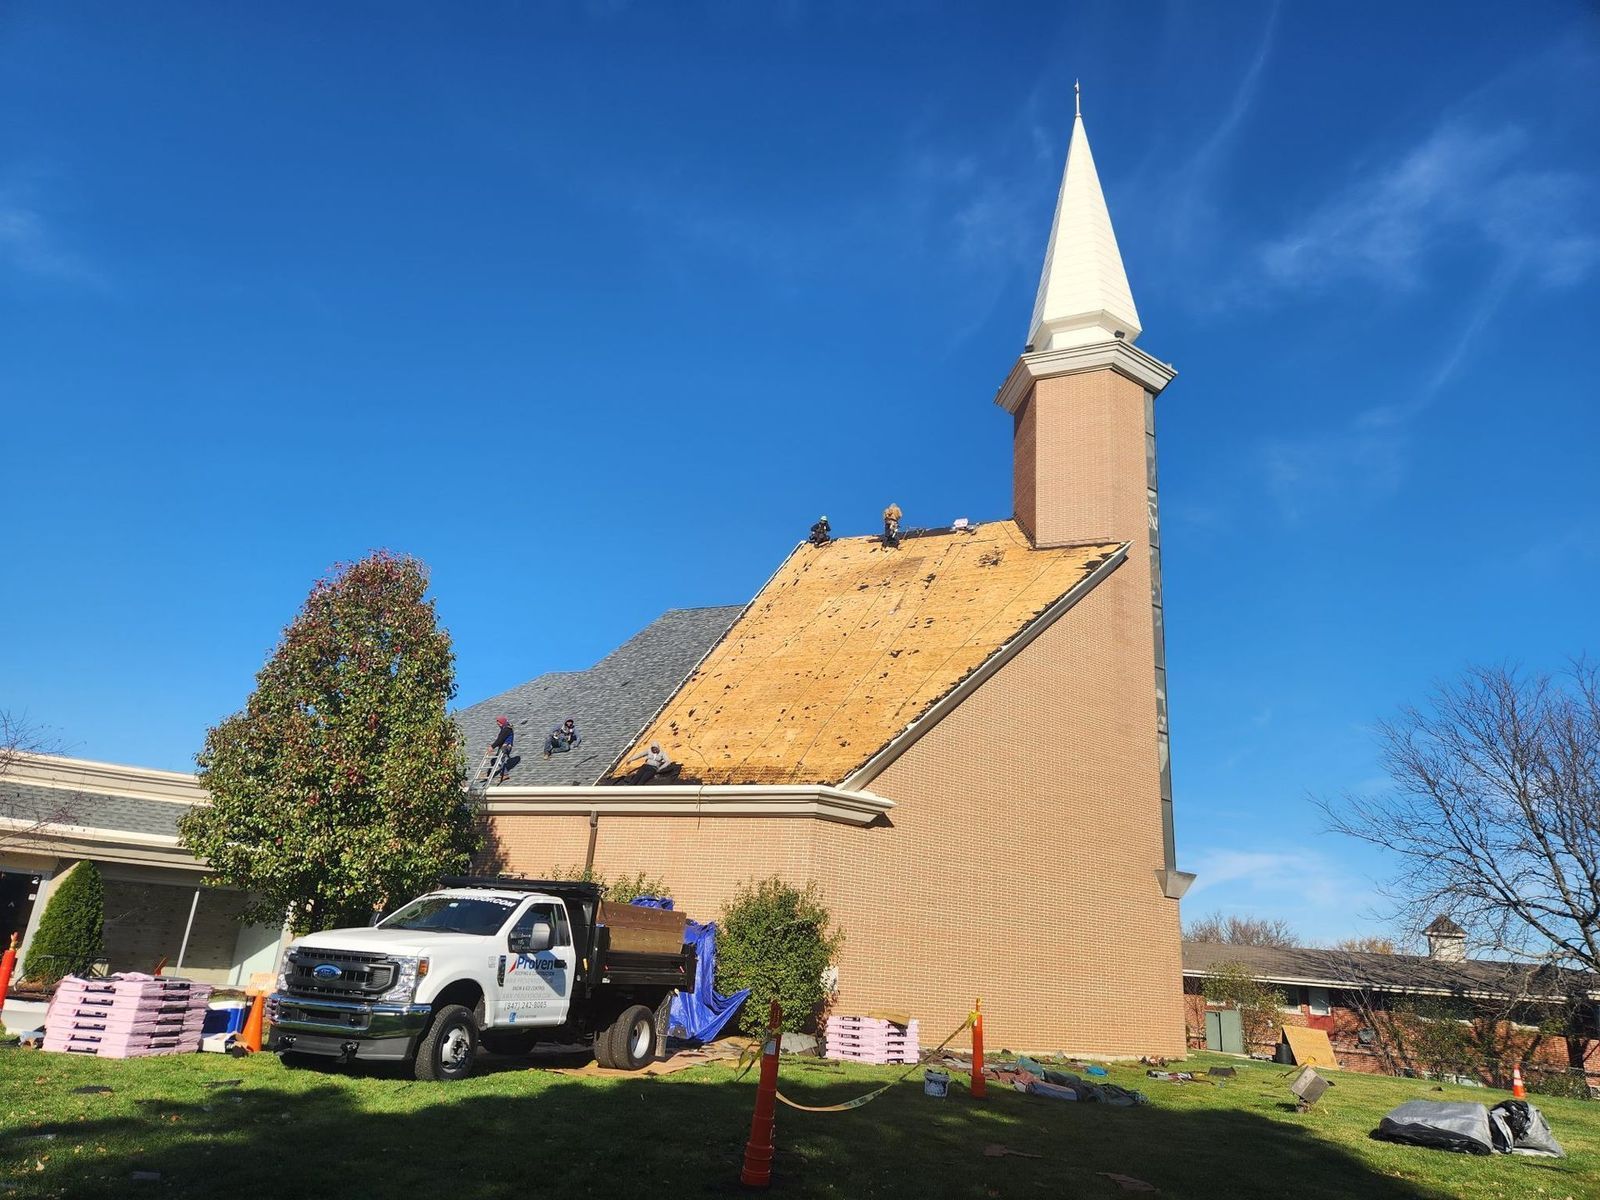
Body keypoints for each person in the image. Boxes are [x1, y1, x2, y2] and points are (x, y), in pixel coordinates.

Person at [486, 717, 514, 783]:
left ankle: (505, 774)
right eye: (498, 724)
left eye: (500, 723)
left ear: (503, 722)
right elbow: (500, 739)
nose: (499, 725)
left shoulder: (506, 729)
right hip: (502, 746)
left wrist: (492, 747)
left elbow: (500, 739)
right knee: (493, 760)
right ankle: (488, 774)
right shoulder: (504, 728)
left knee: (500, 760)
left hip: (506, 746)